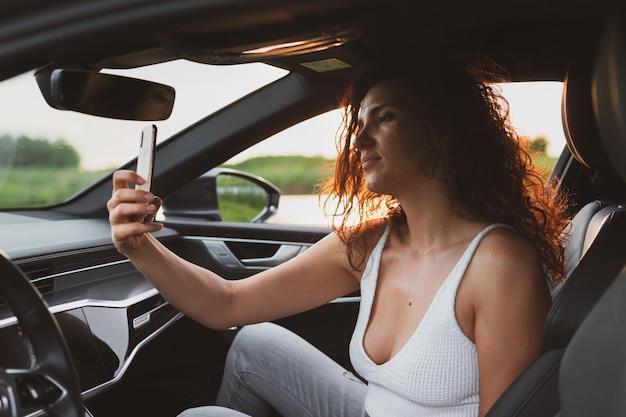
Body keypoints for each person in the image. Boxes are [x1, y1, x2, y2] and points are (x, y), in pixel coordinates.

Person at [107, 56, 569, 417]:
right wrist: (139, 246)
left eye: (384, 117)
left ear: (441, 132)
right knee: (255, 340)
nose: (360, 140)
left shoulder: (499, 264)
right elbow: (227, 304)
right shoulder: (369, 244)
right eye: (360, 123)